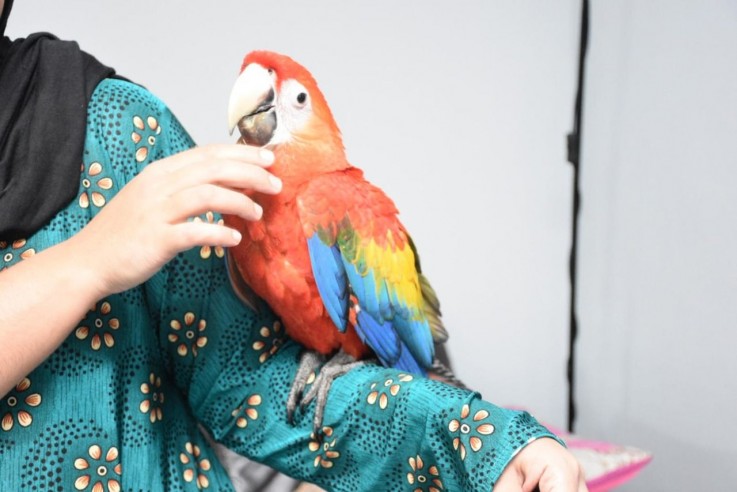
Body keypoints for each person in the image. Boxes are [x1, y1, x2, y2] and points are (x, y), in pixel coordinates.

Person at [0, 1, 586, 490]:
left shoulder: (117, 128)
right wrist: (87, 260)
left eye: (294, 100)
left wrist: (480, 442)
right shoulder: (251, 227)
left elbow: (245, 377)